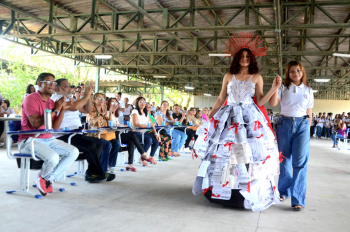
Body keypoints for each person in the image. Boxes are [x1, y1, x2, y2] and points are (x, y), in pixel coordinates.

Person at [192, 33, 280, 211]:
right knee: (223, 151)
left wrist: (274, 89)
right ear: (237, 58)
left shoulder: (256, 77)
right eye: (242, 56)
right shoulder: (228, 76)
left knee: (248, 152)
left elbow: (260, 101)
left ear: (252, 59)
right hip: (228, 116)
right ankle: (222, 191)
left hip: (249, 118)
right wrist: (209, 117)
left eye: (248, 57)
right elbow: (220, 98)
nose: (245, 59)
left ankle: (243, 193)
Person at [18, 73, 79, 196]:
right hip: (30, 140)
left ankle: (47, 179)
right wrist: (55, 109)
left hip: (48, 139)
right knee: (54, 157)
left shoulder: (51, 102)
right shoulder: (30, 98)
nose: (52, 85)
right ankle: (45, 179)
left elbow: (54, 127)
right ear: (39, 84)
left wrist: (62, 109)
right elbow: (35, 124)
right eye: (48, 82)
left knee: (73, 152)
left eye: (54, 83)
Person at [270, 60, 314, 211]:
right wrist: (275, 87)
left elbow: (309, 111)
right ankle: (284, 191)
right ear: (288, 74)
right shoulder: (283, 87)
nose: (296, 74)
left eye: (298, 70)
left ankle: (298, 199)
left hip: (302, 125)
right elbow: (273, 102)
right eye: (292, 71)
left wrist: (308, 129)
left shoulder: (308, 90)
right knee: (284, 159)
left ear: (302, 72)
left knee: (300, 163)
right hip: (284, 124)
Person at [51, 79, 115, 183]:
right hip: (63, 135)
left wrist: (89, 95)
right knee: (90, 146)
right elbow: (75, 107)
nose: (69, 88)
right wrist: (86, 95)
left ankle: (91, 173)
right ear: (57, 88)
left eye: (69, 86)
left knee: (98, 143)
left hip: (76, 133)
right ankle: (99, 172)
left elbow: (87, 110)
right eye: (65, 86)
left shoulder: (69, 98)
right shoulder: (57, 99)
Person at [107, 98, 150, 170]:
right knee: (132, 135)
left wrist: (128, 127)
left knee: (131, 141)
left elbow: (118, 125)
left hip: (118, 134)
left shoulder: (116, 114)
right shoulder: (108, 113)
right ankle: (142, 152)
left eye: (115, 103)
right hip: (111, 134)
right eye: (112, 103)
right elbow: (112, 125)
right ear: (108, 104)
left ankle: (130, 164)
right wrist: (111, 111)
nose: (114, 105)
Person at [87, 93, 121, 173]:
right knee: (107, 144)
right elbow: (91, 122)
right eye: (99, 98)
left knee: (116, 142)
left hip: (103, 135)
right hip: (93, 136)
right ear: (94, 100)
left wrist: (112, 112)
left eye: (103, 98)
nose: (102, 100)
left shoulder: (104, 110)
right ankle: (103, 169)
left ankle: (110, 165)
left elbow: (110, 124)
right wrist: (102, 115)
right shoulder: (91, 109)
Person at [131, 97, 160, 162]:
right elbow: (135, 124)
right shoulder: (135, 111)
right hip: (135, 133)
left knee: (156, 139)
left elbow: (152, 125)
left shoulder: (146, 113)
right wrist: (147, 126)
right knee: (148, 139)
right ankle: (143, 157)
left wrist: (156, 134)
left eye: (144, 102)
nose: (143, 103)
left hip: (144, 133)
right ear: (137, 103)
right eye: (140, 102)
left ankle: (151, 156)